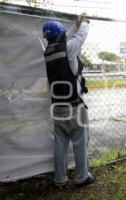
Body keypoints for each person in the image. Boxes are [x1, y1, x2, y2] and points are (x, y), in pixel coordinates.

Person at [43, 15, 95, 187]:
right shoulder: (68, 49)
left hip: (57, 108)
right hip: (74, 107)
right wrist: (85, 23)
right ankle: (82, 177)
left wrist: (75, 25)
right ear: (60, 35)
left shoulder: (48, 52)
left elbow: (67, 37)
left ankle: (59, 179)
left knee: (60, 144)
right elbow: (79, 37)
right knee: (80, 143)